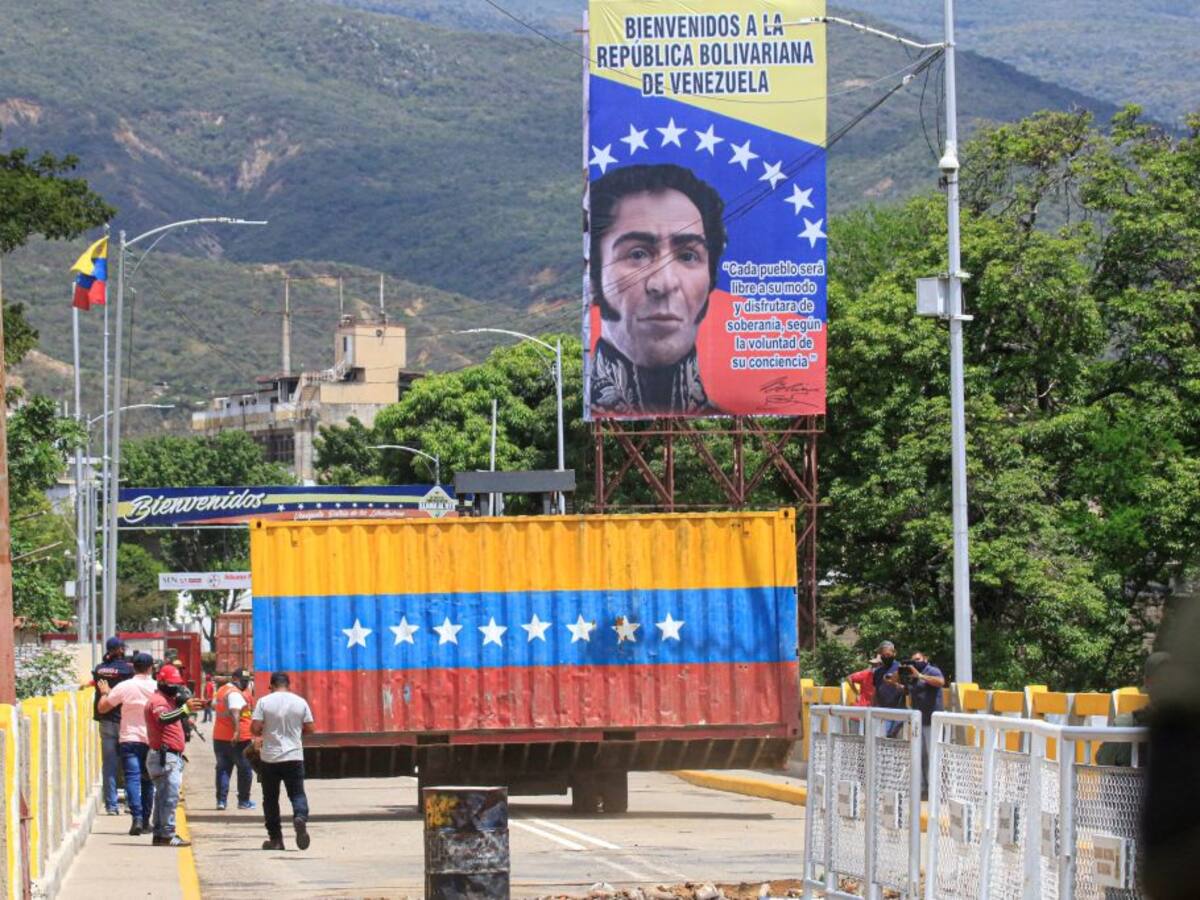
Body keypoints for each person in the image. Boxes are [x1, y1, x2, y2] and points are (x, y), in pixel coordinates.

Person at [588, 163, 727, 417]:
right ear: (593, 278)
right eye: (638, 254)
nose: (664, 283)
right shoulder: (578, 423)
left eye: (687, 256)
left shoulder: (724, 422)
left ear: (711, 279)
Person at [251, 672, 314, 851]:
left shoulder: (264, 702)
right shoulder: (300, 702)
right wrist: (295, 731)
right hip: (294, 756)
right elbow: (310, 728)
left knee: (270, 799)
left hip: (270, 758)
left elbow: (255, 729)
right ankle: (300, 817)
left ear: (271, 686)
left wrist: (265, 729)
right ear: (289, 685)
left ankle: (276, 840)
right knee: (297, 794)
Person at [97, 652, 158, 836]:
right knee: (148, 782)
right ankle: (146, 821)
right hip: (151, 740)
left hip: (129, 739)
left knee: (132, 778)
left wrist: (105, 693)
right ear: (150, 668)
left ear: (133, 667)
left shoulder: (125, 686)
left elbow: (103, 708)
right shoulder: (157, 688)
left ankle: (136, 819)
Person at [145, 664, 204, 846]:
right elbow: (163, 719)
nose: (175, 687)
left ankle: (160, 833)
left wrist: (184, 706)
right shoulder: (158, 702)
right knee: (169, 797)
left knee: (163, 796)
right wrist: (185, 709)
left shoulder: (167, 700)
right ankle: (167, 834)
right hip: (165, 757)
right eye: (172, 684)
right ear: (161, 682)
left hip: (170, 757)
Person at [891, 650, 945, 796]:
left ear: (925, 658)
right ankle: (922, 786)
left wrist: (920, 675)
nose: (916, 662)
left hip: (932, 720)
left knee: (932, 754)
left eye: (918, 659)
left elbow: (940, 682)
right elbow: (905, 689)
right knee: (919, 754)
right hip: (918, 721)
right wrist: (898, 680)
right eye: (913, 660)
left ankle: (935, 788)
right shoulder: (912, 674)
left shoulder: (931, 670)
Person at [92, 637, 134, 815]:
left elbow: (100, 671)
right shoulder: (127, 669)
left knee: (109, 764)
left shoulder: (100, 669)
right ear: (120, 650)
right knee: (129, 764)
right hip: (125, 720)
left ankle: (111, 806)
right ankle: (131, 804)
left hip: (106, 720)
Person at [213, 668, 256, 811]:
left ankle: (221, 801)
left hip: (220, 738)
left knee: (223, 769)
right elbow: (234, 711)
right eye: (242, 681)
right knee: (244, 769)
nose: (245, 684)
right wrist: (237, 731)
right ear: (234, 679)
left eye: (246, 681)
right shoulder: (235, 694)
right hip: (239, 739)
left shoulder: (222, 690)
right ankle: (244, 801)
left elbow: (215, 706)